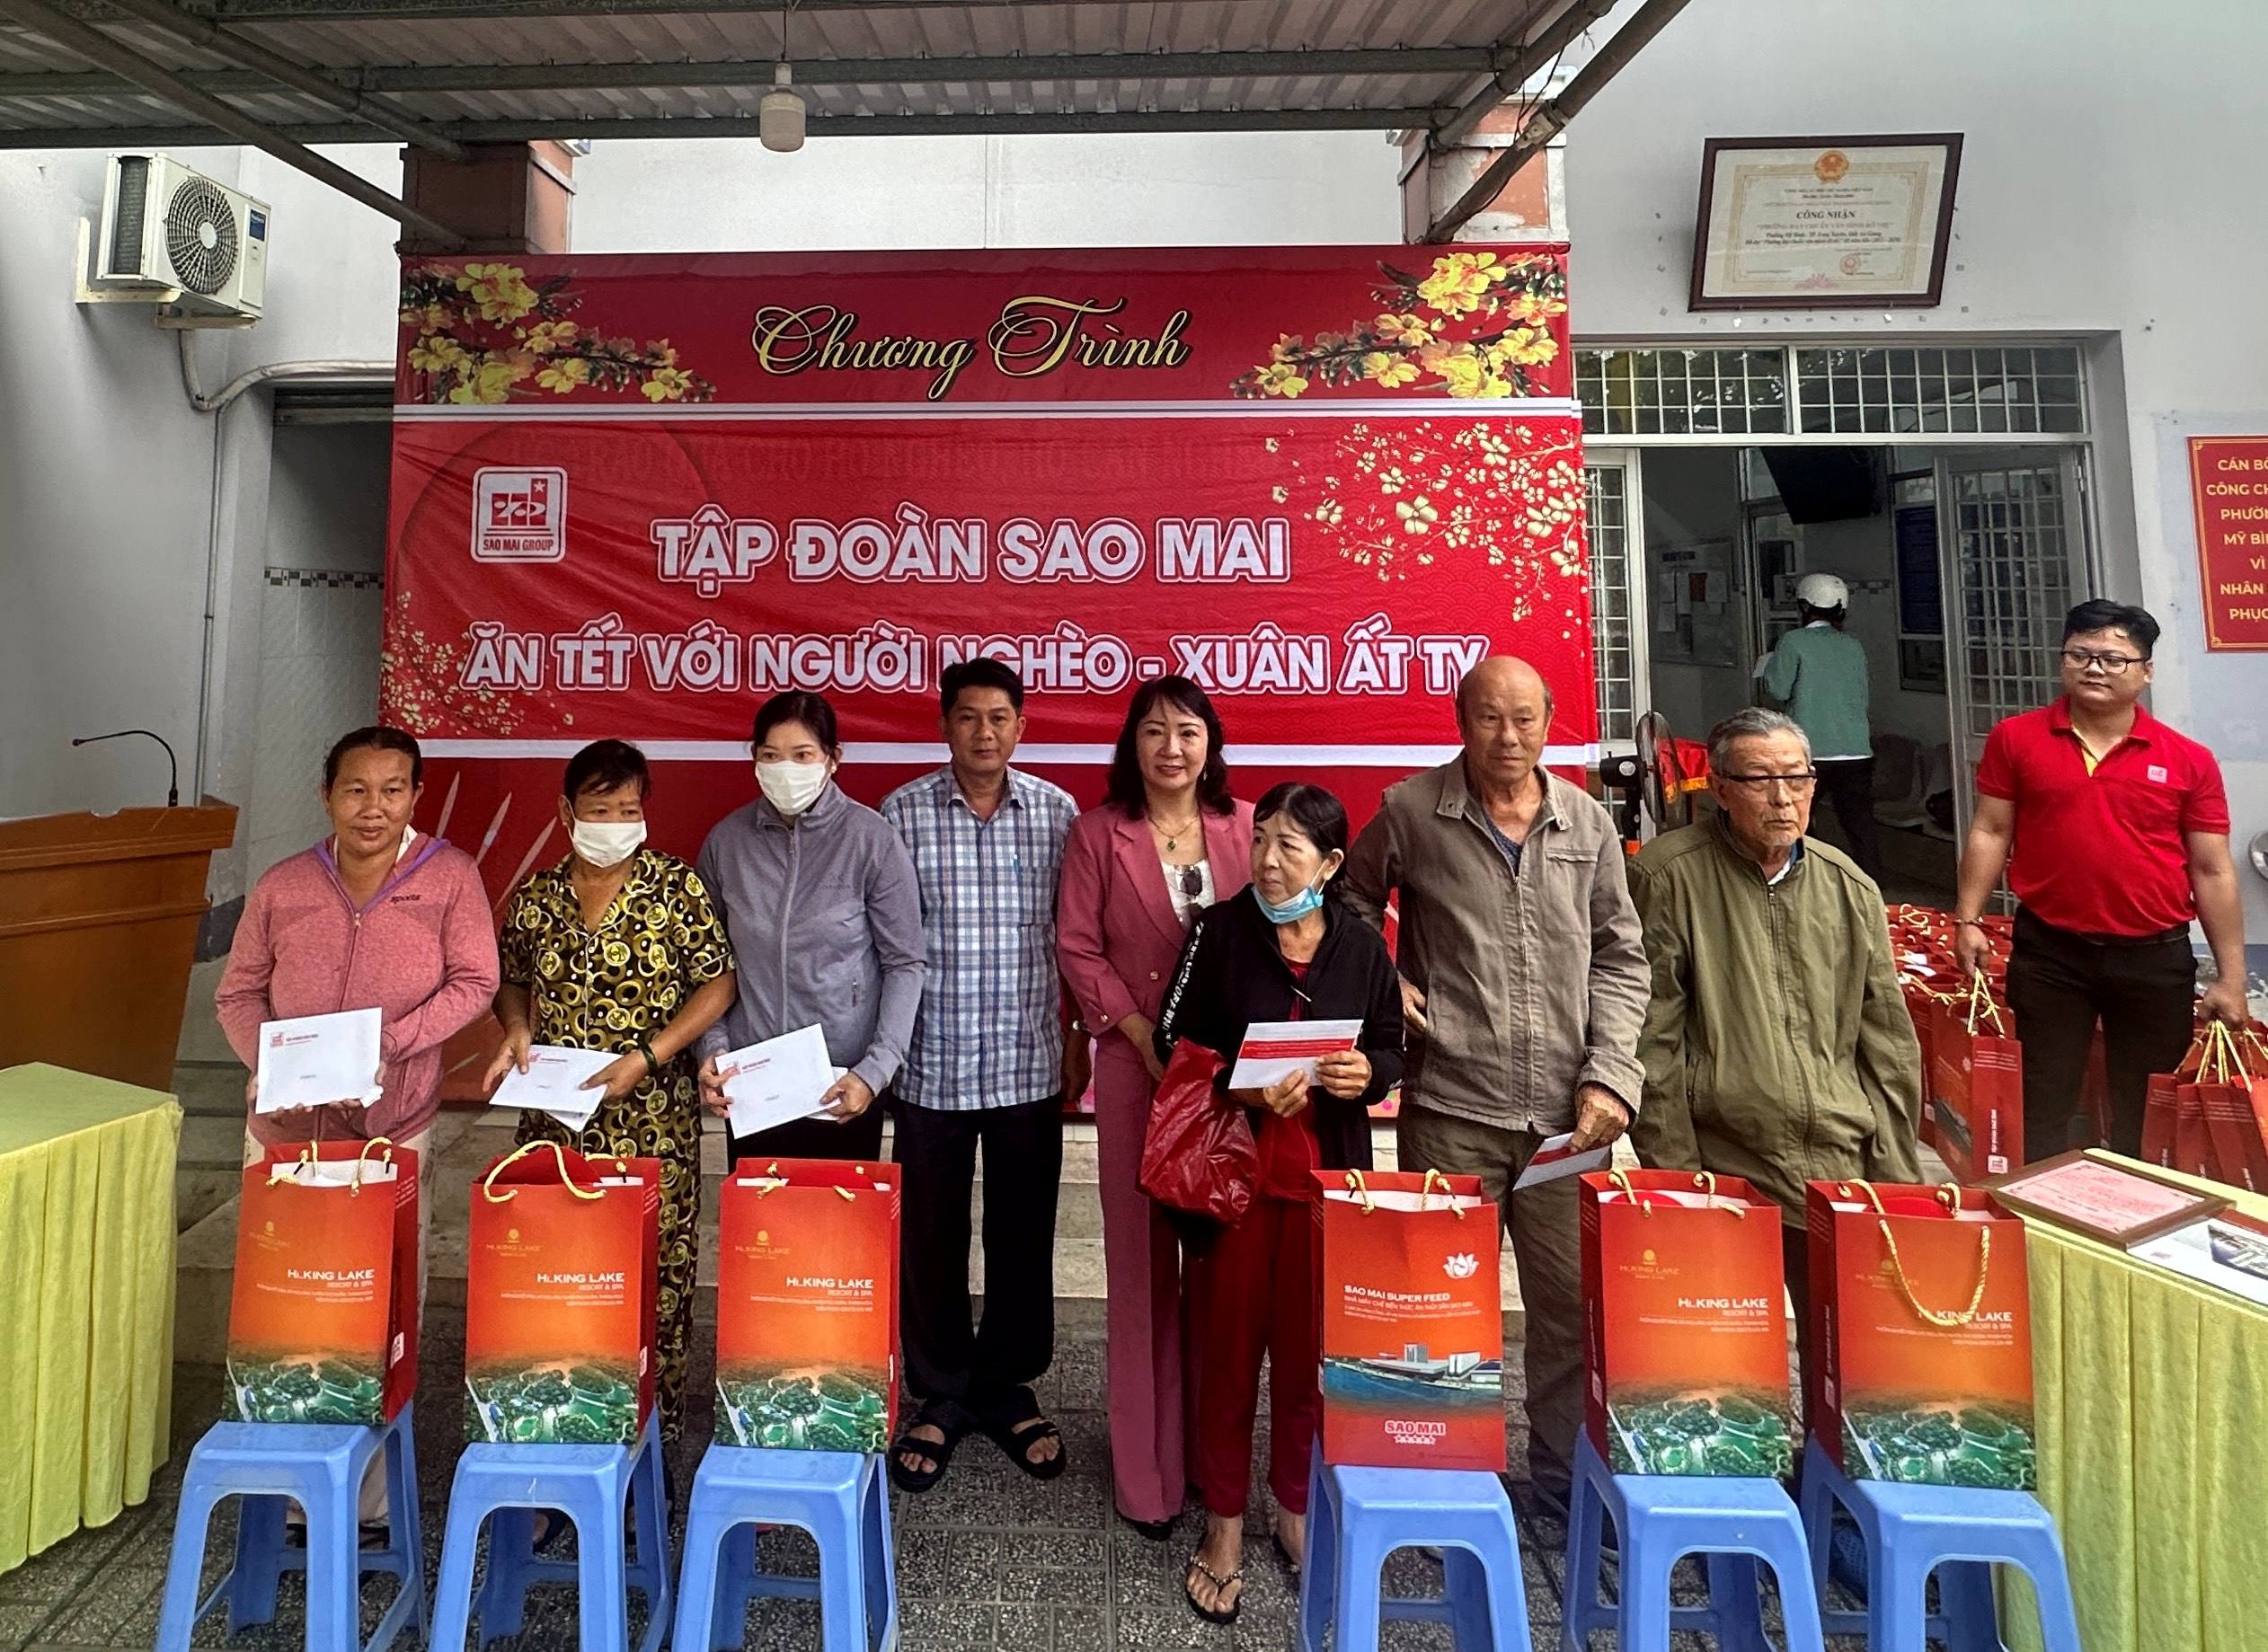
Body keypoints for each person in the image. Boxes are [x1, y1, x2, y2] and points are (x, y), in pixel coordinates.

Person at [1342, 656, 1647, 1515]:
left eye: (1524, 719)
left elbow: (1622, 956)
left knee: (1570, 1309)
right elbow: (1350, 903)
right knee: (1438, 1307)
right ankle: (1441, 1477)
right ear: (1459, 719)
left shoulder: (1586, 821)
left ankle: (1561, 1483)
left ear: (1548, 721)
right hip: (1451, 1107)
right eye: (1488, 718)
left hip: (1568, 1120)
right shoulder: (1412, 811)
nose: (1507, 737)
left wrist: (1611, 1075)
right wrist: (1385, 983)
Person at [216, 724, 499, 1523]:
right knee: (283, 1306)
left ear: (416, 795)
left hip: (390, 1131)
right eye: (355, 789)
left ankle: (367, 1506)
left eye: (392, 790)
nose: (373, 807)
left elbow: (476, 979)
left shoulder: (449, 878)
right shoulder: (283, 885)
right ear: (326, 795)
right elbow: (237, 992)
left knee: (378, 1312)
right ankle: (285, 1493)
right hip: (284, 1137)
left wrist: (389, 1044)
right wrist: (270, 1063)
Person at [1153, 783, 1403, 1626]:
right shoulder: (1220, 933)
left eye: (1289, 846)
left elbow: (1391, 1045)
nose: (1267, 859)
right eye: (1260, 839)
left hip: (1322, 1190)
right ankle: (1223, 1524)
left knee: (1305, 1364)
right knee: (1228, 1361)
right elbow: (1172, 1039)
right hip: (1235, 1189)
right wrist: (1242, 1085)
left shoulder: (1361, 946)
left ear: (1329, 865)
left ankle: (1291, 1507)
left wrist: (1368, 1074)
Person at [1628, 708, 1922, 1342]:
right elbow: (1653, 1042)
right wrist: (1681, 1178)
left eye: (1797, 777)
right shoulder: (1667, 875)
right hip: (1729, 1168)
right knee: (1729, 1359)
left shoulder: (1850, 887)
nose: (1783, 798)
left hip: (1839, 1168)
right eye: (1761, 779)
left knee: (1848, 1355)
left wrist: (1895, 1181)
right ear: (1720, 787)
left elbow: (1889, 1046)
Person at [485, 739, 738, 1442]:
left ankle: (649, 1448)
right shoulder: (538, 897)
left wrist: (650, 1055)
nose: (617, 823)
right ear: (567, 811)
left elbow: (719, 982)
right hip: (555, 1126)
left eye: (629, 809)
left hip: (652, 1120)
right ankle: (559, 1435)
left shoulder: (674, 888)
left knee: (654, 1281)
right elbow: (511, 978)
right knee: (557, 1277)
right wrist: (516, 1027)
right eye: (601, 810)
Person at [1059, 675, 1256, 1540]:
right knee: (1141, 1274)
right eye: (1153, 731)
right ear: (1131, 744)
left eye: (1187, 731)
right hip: (1136, 1067)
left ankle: (1214, 1463)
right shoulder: (1097, 833)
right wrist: (1138, 1032)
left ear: (1211, 744)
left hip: (1231, 1082)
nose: (1171, 748)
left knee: (1219, 1269)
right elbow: (1078, 945)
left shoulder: (1246, 826)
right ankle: (1146, 1476)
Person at [878, 659, 1082, 1493]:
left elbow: (1076, 937)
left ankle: (1006, 1385)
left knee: (1022, 1231)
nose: (985, 732)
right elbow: (886, 942)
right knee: (930, 1235)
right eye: (968, 716)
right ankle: (941, 1390)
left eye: (1000, 717)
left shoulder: (1058, 814)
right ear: (945, 725)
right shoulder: (901, 814)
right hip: (932, 1059)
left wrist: (1076, 1034)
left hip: (1027, 1059)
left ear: (1021, 726)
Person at [1954, 600, 2249, 1161]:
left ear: (2146, 670)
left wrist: (2231, 979)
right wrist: (1967, 918)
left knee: (2147, 1108)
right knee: (2042, 1098)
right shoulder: (2017, 738)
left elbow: (2212, 869)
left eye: (2114, 659)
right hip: (2050, 952)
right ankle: (2041, 1204)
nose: (2094, 668)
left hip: (2153, 958)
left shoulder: (2188, 760)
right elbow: (1991, 830)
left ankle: (2136, 1206)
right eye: (2080, 655)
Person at [694, 691, 926, 1164]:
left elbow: (905, 963)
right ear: (754, 758)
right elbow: (708, 963)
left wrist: (875, 1071)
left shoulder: (872, 840)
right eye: (771, 756)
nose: (786, 769)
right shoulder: (726, 842)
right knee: (759, 1212)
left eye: (802, 756)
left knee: (840, 1210)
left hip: (842, 1086)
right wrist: (712, 1049)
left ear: (832, 758)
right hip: (751, 1083)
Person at [1758, 571, 1882, 882]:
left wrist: (1770, 666)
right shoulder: (1853, 645)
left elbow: (1779, 689)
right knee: (1860, 825)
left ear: (1804, 606)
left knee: (1798, 821)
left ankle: (1804, 882)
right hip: (1856, 750)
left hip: (1809, 751)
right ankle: (1873, 887)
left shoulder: (1793, 641)